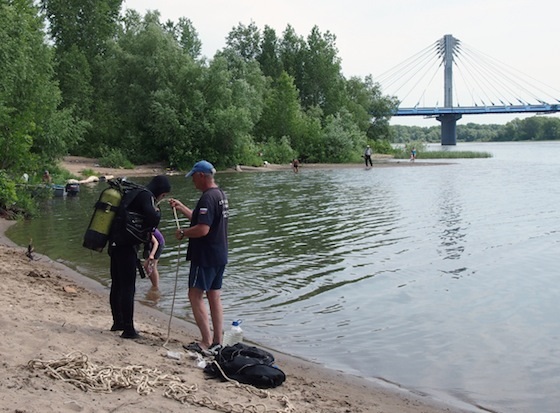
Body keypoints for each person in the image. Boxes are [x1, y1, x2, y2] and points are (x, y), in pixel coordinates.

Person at [169, 160, 229, 355]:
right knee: (214, 296)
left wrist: (183, 233)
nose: (192, 181)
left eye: (194, 177)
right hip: (220, 254)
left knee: (195, 295)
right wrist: (182, 208)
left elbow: (203, 229)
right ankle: (218, 342)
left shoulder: (207, 198)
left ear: (202, 176)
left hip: (205, 256)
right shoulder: (220, 195)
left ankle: (205, 342)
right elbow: (202, 218)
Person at [109, 175, 171, 339]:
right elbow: (153, 218)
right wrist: (158, 212)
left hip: (115, 242)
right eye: (163, 195)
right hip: (126, 246)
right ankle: (128, 329)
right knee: (128, 286)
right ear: (160, 191)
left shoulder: (135, 192)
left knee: (117, 284)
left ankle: (118, 322)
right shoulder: (147, 196)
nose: (162, 198)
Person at [143, 227, 164, 293]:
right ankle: (153, 284)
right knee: (146, 266)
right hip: (149, 243)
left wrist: (152, 254)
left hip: (158, 243)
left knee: (152, 266)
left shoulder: (146, 229)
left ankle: (155, 286)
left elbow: (156, 243)